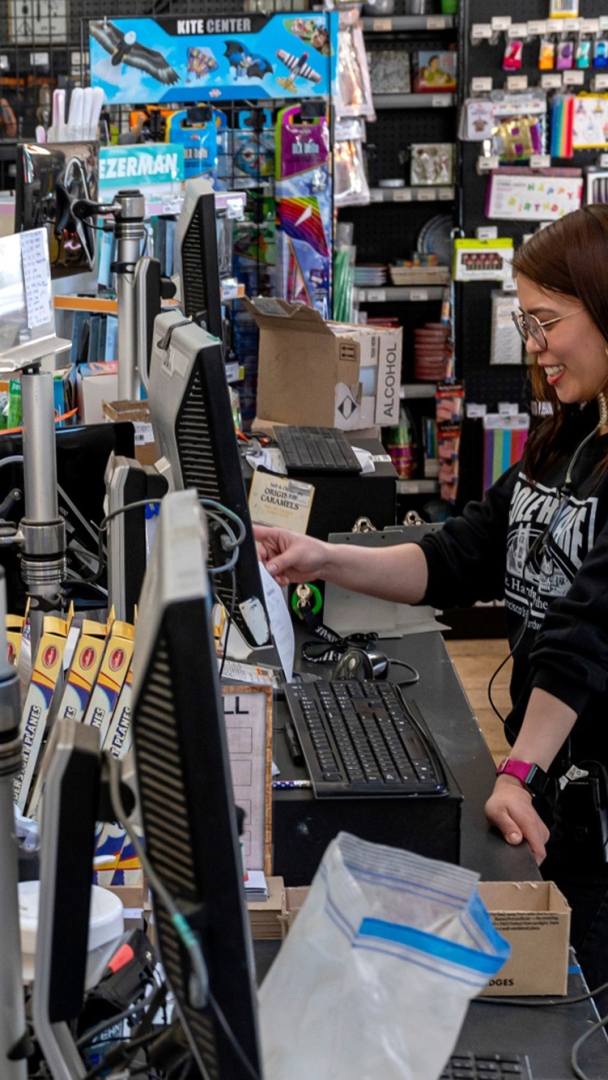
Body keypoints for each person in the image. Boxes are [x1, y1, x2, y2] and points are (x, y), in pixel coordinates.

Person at [255, 204, 608, 998]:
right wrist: (325, 558)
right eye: (528, 321)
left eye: (549, 320)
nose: (536, 344)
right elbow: (456, 556)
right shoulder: (570, 439)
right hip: (553, 785)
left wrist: (518, 770)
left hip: (586, 796)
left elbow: (588, 634)